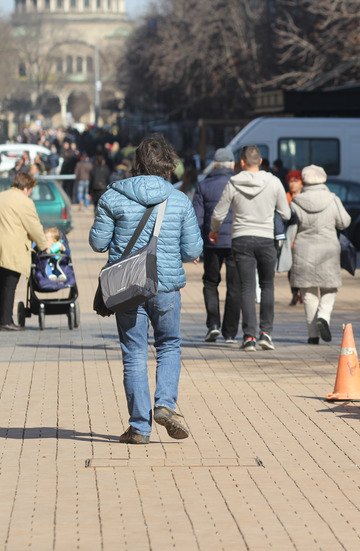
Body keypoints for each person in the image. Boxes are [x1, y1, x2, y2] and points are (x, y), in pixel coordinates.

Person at [89, 134, 203, 445]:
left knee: (134, 353)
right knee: (168, 345)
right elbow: (192, 248)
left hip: (126, 287)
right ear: (169, 164)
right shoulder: (179, 200)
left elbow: (98, 243)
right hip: (165, 287)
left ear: (137, 163)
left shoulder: (112, 197)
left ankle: (140, 427)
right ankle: (165, 404)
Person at [209, 146, 290, 351]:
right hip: (266, 239)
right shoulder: (274, 182)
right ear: (260, 161)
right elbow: (286, 213)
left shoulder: (234, 183)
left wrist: (214, 231)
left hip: (241, 239)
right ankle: (266, 333)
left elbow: (219, 213)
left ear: (242, 163)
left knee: (246, 288)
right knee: (267, 286)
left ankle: (249, 337)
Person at [288, 165, 351, 344]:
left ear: (304, 180)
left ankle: (313, 335)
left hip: (303, 249)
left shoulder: (296, 201)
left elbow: (291, 230)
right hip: (328, 249)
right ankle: (323, 316)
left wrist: (284, 251)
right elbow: (344, 222)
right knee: (329, 288)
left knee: (308, 292)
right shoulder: (333, 199)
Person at [0, 172, 50, 331]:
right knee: (9, 286)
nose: (30, 193)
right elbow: (34, 227)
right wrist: (44, 246)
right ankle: (6, 322)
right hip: (12, 249)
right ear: (26, 188)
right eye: (30, 190)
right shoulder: (24, 202)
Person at [192, 148, 240, 343]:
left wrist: (194, 246)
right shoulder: (239, 184)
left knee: (210, 283)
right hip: (236, 241)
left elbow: (197, 218)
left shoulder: (203, 186)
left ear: (214, 165)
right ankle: (230, 332)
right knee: (235, 286)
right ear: (233, 165)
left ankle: (213, 324)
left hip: (212, 242)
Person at [285, 170, 304, 306]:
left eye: (295, 181)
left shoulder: (305, 198)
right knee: (291, 270)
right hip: (290, 240)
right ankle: (294, 293)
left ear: (302, 183)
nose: (293, 184)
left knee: (302, 269)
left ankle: (302, 293)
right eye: (291, 181)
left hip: (302, 240)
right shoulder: (285, 197)